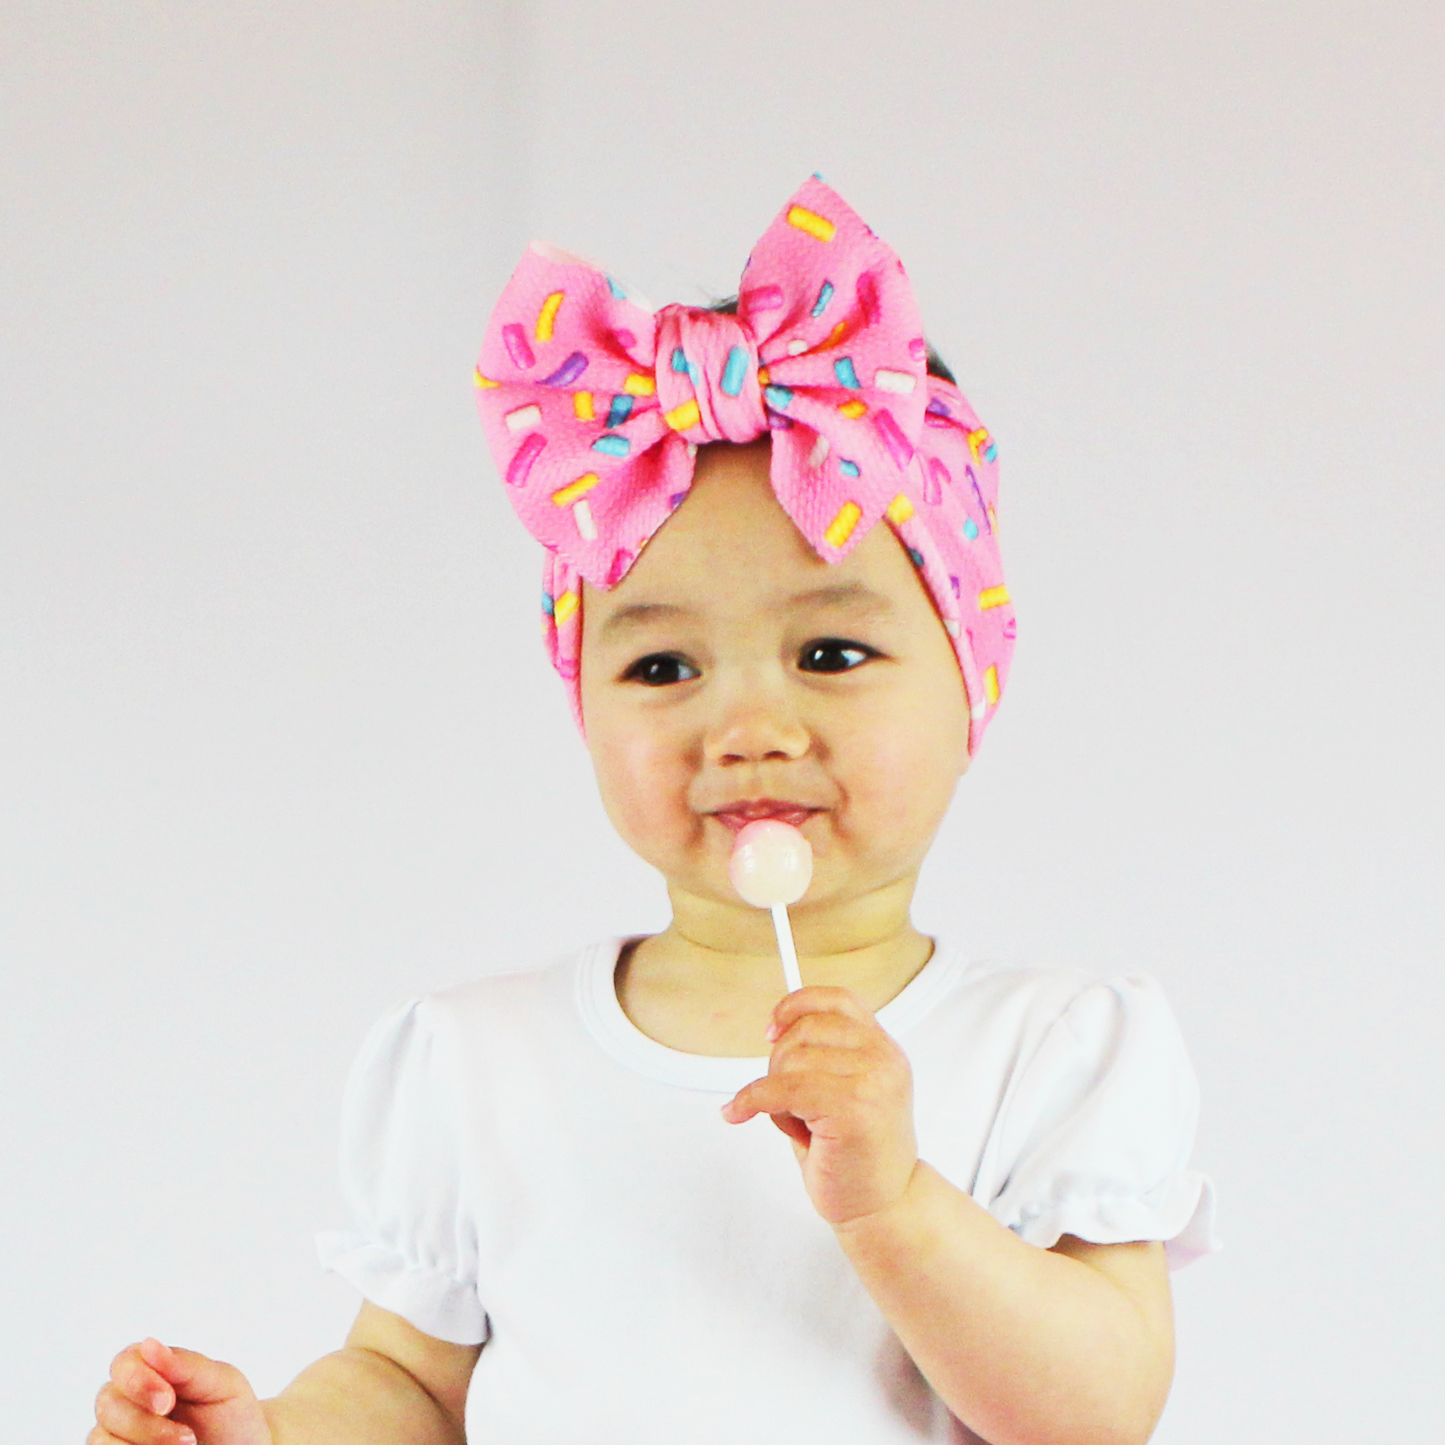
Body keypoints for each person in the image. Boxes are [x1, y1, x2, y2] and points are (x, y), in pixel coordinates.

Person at [90, 177, 1216, 1445]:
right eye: (663, 667)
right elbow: (409, 1384)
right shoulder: (479, 1063)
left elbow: (1095, 1412)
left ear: (973, 678)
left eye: (831, 653)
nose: (744, 728)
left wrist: (892, 1199)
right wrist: (280, 1435)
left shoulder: (1049, 1047)